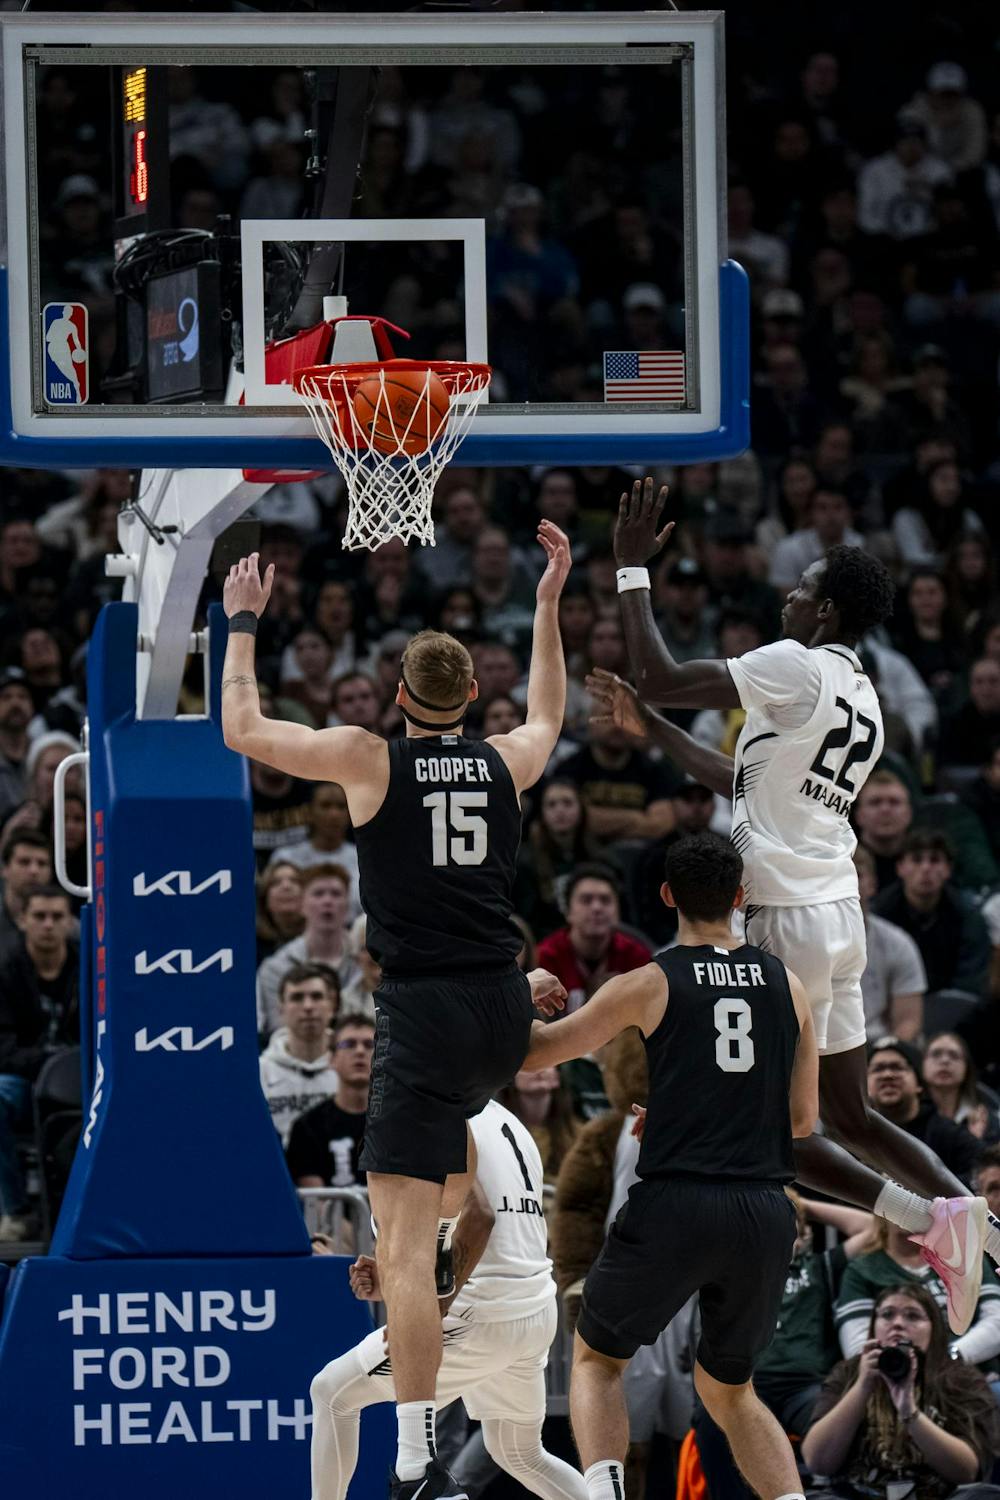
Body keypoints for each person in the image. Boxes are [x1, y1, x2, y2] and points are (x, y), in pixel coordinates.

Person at [220, 524, 571, 1500]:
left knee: (402, 1251)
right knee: (448, 1186)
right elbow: (550, 710)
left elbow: (242, 732)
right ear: (469, 701)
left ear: (400, 696)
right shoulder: (506, 761)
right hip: (501, 1009)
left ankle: (416, 1460)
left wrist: (241, 623)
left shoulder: (369, 759)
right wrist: (547, 603)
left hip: (420, 1013)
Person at [603, 476, 997, 1314]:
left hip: (781, 918)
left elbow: (659, 672)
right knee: (853, 1116)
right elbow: (747, 782)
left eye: (802, 589)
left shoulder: (794, 665)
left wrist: (632, 572)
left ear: (823, 615)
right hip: (841, 915)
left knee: (782, 1134)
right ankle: (965, 1223)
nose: (788, 596)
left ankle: (927, 1220)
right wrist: (660, 734)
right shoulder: (865, 696)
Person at [521, 832, 820, 1500]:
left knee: (597, 1361)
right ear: (740, 898)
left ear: (664, 897)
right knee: (731, 1391)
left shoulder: (648, 981)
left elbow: (536, 1056)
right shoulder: (789, 985)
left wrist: (524, 988)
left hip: (677, 1204)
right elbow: (801, 1121)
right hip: (763, 1211)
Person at [309, 1097, 588, 1500]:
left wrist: (428, 1313)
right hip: (533, 1309)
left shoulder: (432, 1106)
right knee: (520, 1452)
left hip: (478, 1311)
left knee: (331, 1393)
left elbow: (479, 1219)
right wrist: (392, 1282)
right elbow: (490, 1237)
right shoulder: (507, 1120)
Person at [802, 1283, 1000, 1498]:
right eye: (887, 1315)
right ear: (873, 1326)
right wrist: (862, 1386)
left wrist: (909, 1410)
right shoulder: (850, 1371)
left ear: (934, 1327)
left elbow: (967, 1472)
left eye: (913, 1316)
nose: (897, 1324)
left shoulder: (961, 1378)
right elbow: (817, 1462)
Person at [535, 865, 651, 1120]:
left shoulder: (638, 956)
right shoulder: (546, 957)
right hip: (562, 1063)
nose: (597, 907)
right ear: (568, 912)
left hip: (620, 1064)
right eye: (586, 900)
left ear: (618, 910)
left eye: (606, 900)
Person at [0, 884, 79, 1241]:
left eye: (57, 916)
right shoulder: (5, 971)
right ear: (22, 920)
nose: (48, 924)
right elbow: (3, 1052)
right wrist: (51, 1061)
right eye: (39, 916)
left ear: (70, 922)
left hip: (84, 1080)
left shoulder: (90, 969)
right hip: (24, 1081)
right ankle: (16, 1211)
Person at [835, 1216, 1000, 1364]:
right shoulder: (862, 1270)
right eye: (896, 1194)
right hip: (890, 1376)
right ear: (880, 1207)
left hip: (970, 1372)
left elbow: (997, 1321)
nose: (903, 1204)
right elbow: (857, 1349)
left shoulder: (965, 1256)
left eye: (912, 1194)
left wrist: (950, 1356)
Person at [871, 830, 991, 997]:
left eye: (935, 860)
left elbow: (969, 984)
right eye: (916, 859)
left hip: (953, 1012)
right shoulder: (879, 914)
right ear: (900, 868)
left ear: (948, 869)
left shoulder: (969, 916)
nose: (926, 868)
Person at [256, 864, 359, 1038]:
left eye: (336, 894)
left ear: (348, 905)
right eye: (318, 894)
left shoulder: (366, 961)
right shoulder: (275, 968)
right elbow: (278, 1032)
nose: (327, 901)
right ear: (301, 904)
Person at [866, 1037, 979, 1186]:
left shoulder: (952, 1136)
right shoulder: (850, 1137)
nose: (887, 1075)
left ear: (919, 1084)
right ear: (865, 1085)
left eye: (897, 1067)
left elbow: (978, 1181)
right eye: (877, 1069)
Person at [286, 1013, 374, 1188]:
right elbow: (316, 1205)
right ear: (331, 1059)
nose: (359, 1051)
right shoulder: (307, 1127)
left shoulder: (399, 1125)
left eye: (369, 1044)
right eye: (349, 1044)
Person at [258, 963, 341, 1147]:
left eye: (317, 996)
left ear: (333, 1004)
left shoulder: (354, 1064)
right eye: (297, 998)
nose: (308, 1006)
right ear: (281, 1008)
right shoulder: (259, 1073)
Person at [854, 846, 926, 1043]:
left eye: (857, 874)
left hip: (881, 1044)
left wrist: (885, 1055)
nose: (849, 881)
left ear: (872, 884)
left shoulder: (898, 943)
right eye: (841, 873)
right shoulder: (807, 942)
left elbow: (908, 1021)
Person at [267, 781, 361, 918]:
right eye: (325, 805)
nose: (334, 814)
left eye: (341, 806)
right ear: (309, 812)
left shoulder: (363, 859)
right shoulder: (285, 857)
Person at [922, 1031, 1000, 1143]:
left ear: (966, 1068)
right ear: (921, 1064)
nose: (945, 1061)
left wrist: (976, 1143)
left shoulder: (988, 1120)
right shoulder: (908, 1115)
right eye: (936, 1054)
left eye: (954, 1055)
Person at [0, 830, 53, 948]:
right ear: (4, 869)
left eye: (42, 863)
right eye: (24, 862)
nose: (34, 870)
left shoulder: (67, 928)